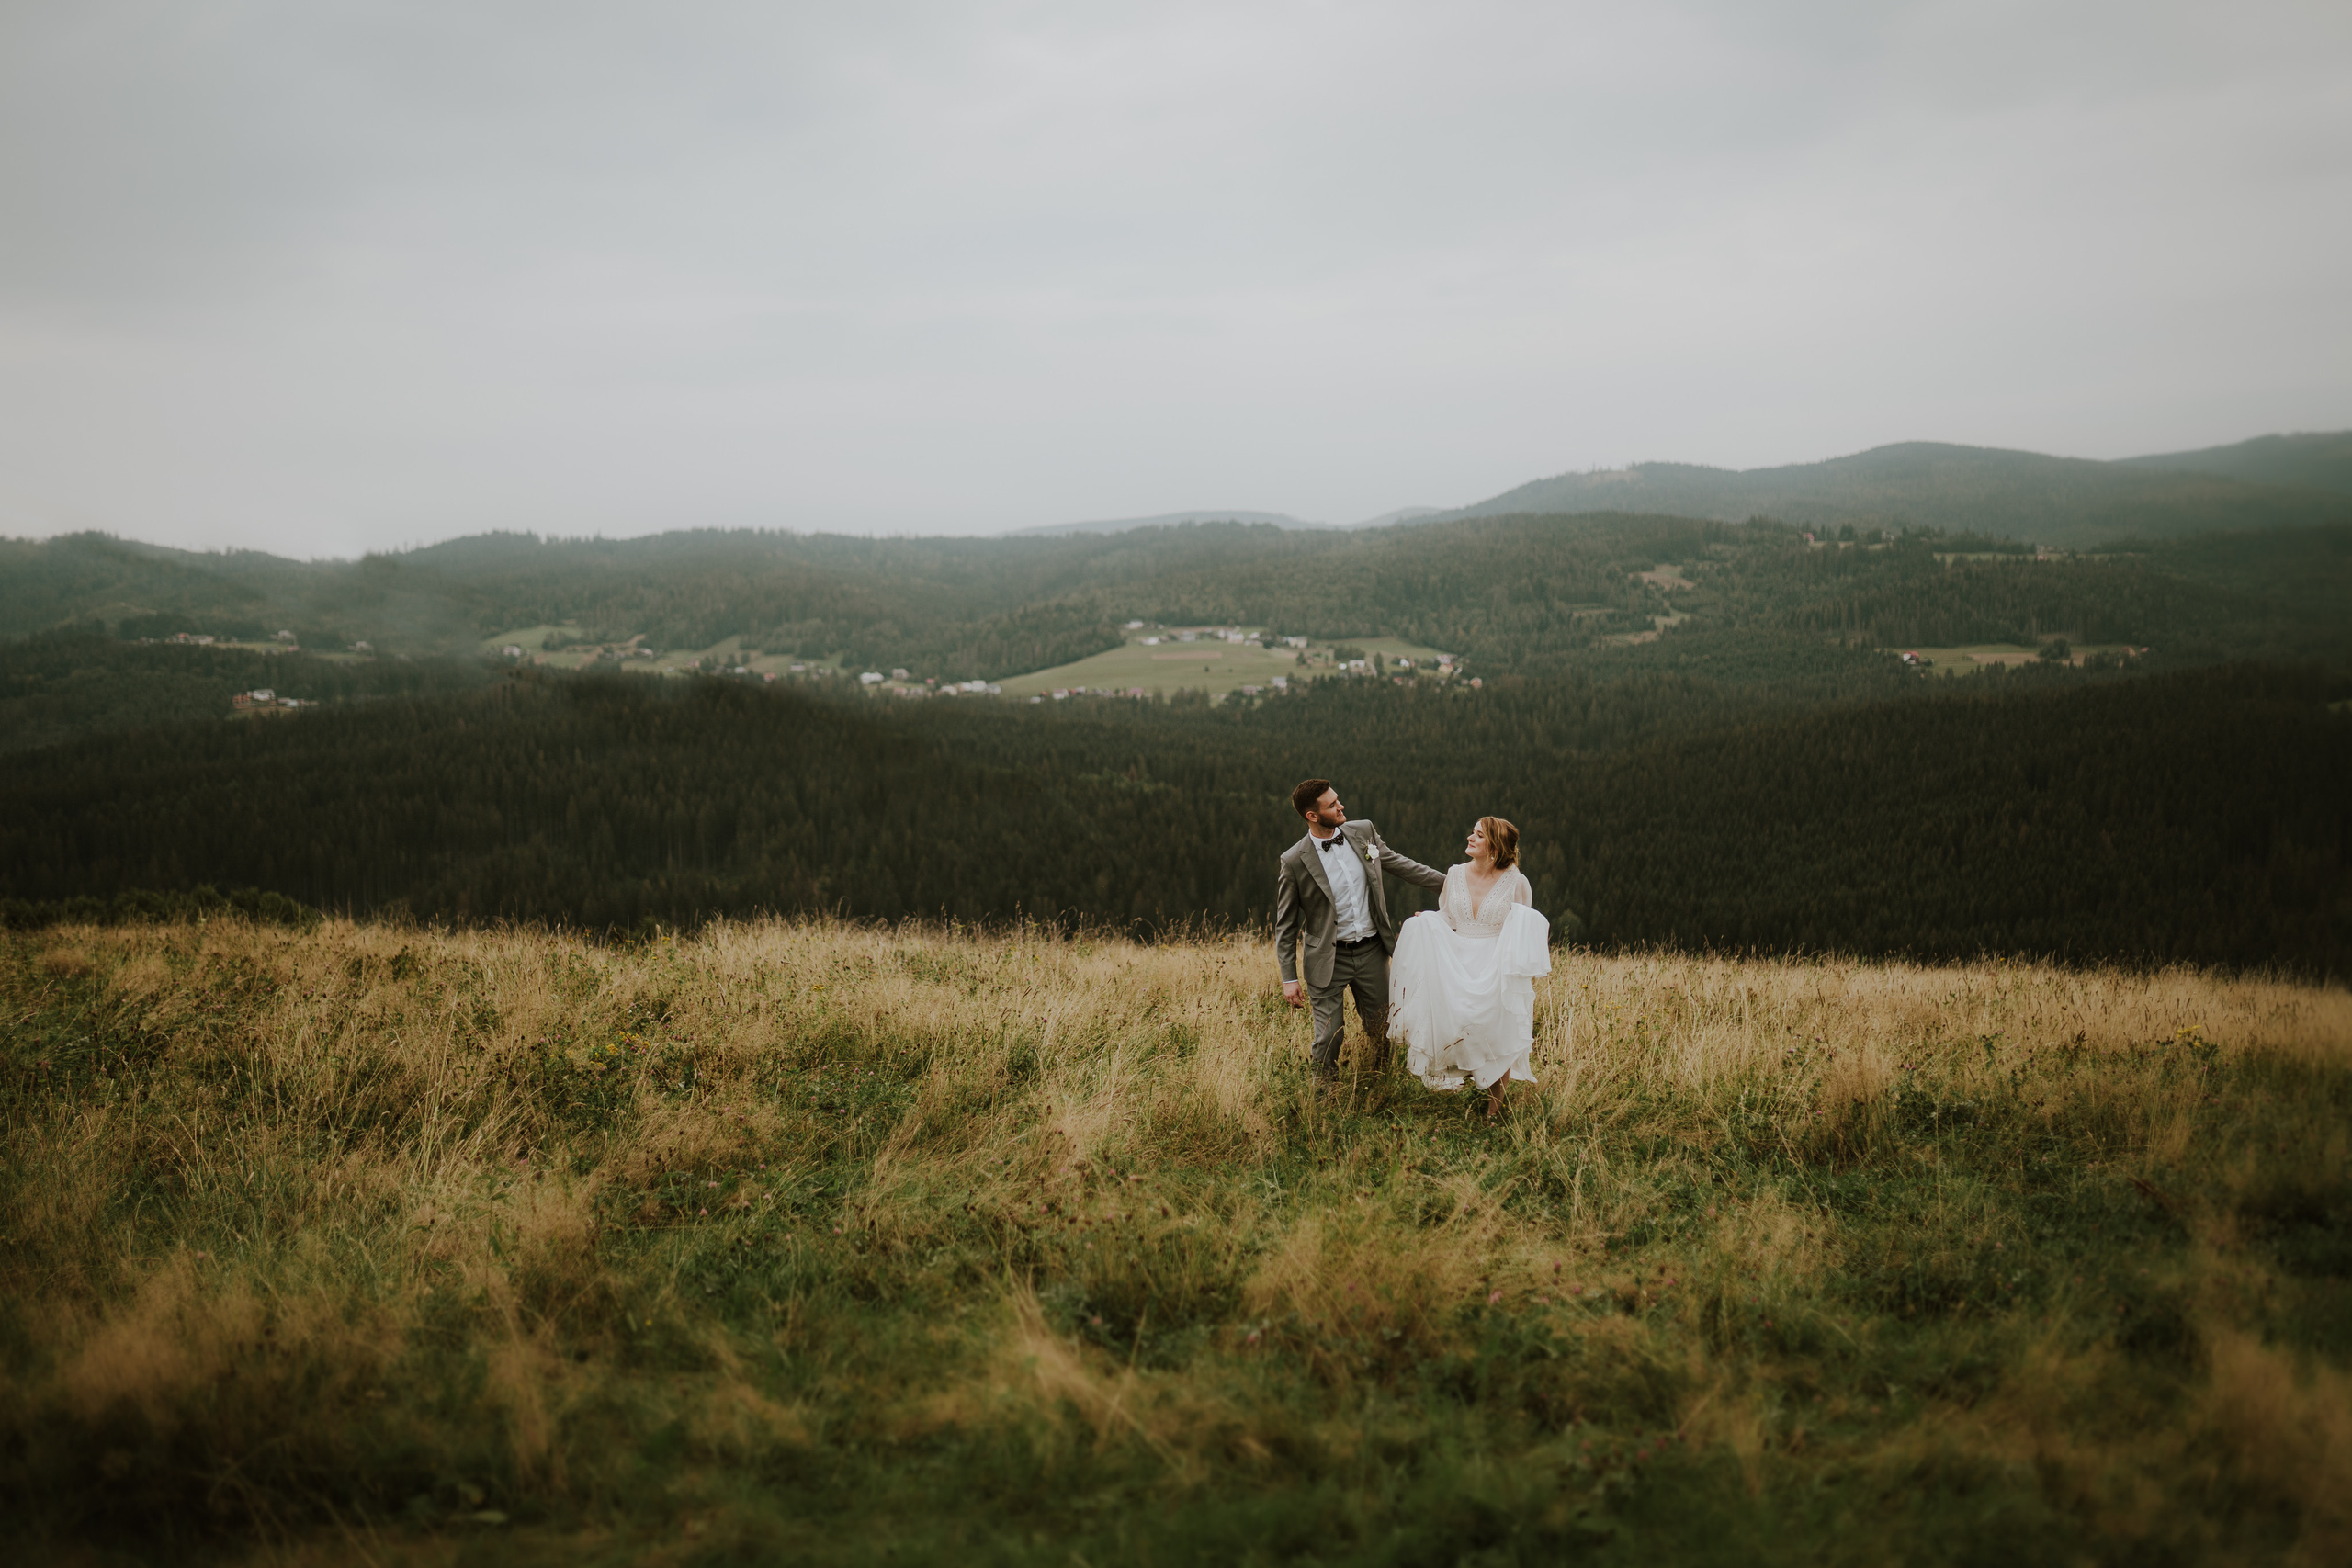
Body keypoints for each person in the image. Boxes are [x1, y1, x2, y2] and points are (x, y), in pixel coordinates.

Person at [1273, 779, 1446, 1082]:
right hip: (1328, 958)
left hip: (1372, 952)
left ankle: (1378, 1084)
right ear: (1312, 816)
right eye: (1332, 805)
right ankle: (1325, 1098)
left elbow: (1399, 864)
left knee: (1382, 1028)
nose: (1341, 807)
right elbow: (1285, 926)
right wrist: (1289, 978)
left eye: (1337, 800)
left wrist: (1453, 883)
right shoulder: (1293, 861)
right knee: (1329, 1035)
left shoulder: (1362, 832)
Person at [1389, 816, 1552, 1121]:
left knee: (1497, 1032)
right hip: (1456, 956)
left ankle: (1494, 1109)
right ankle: (1461, 1078)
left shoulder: (1517, 882)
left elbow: (1520, 927)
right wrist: (1428, 920)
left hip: (1495, 962)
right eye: (1473, 832)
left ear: (1494, 845)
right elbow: (1449, 917)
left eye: (1478, 835)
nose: (1470, 838)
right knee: (1457, 1022)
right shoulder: (1455, 874)